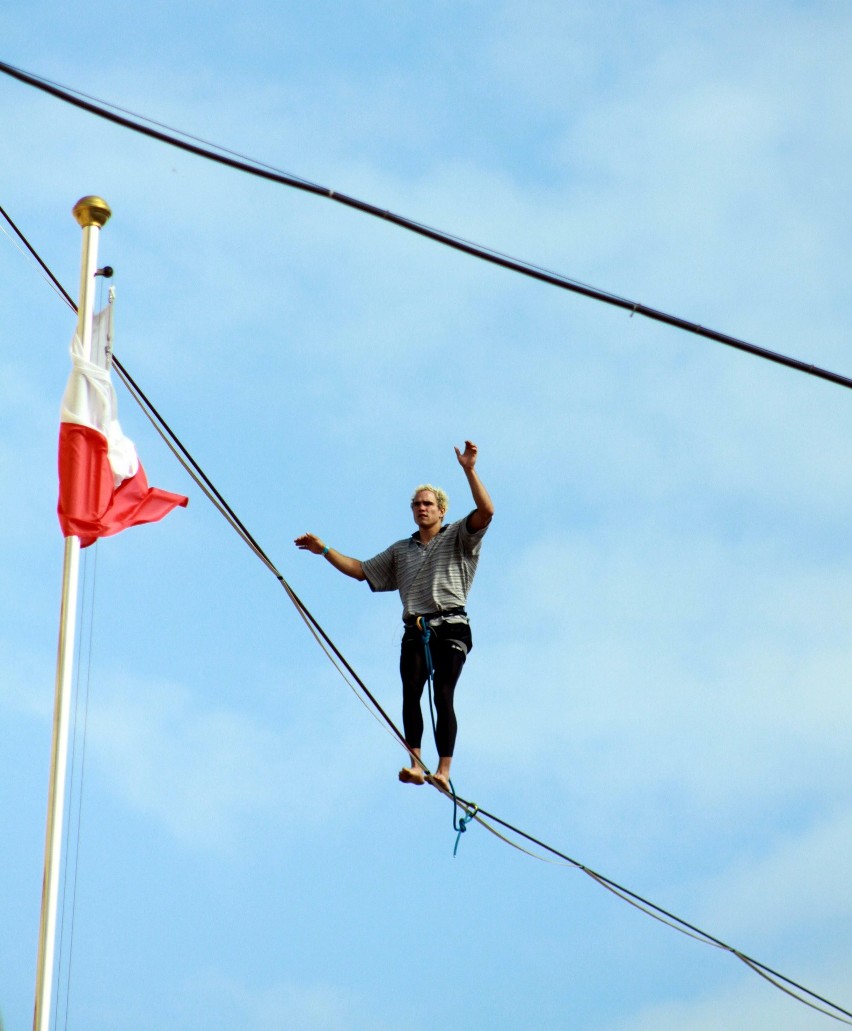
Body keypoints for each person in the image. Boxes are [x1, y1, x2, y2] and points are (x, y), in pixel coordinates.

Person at [294, 441, 494, 792]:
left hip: (452, 626)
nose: (421, 508)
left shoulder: (459, 537)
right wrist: (324, 549)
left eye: (427, 504)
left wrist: (469, 470)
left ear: (441, 510)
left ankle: (443, 771)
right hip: (416, 628)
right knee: (411, 691)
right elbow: (360, 570)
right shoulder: (401, 550)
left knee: (443, 693)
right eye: (416, 504)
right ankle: (416, 764)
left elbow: (487, 511)